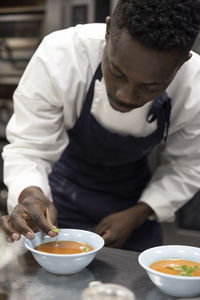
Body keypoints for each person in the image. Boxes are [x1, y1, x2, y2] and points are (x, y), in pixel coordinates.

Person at [1, 0, 200, 252]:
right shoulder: (62, 54)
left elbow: (188, 165)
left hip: (135, 207)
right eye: (117, 72)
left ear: (182, 62)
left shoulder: (195, 86)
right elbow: (30, 146)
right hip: (59, 199)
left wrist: (140, 212)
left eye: (150, 87)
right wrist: (30, 193)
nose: (125, 96)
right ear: (108, 32)